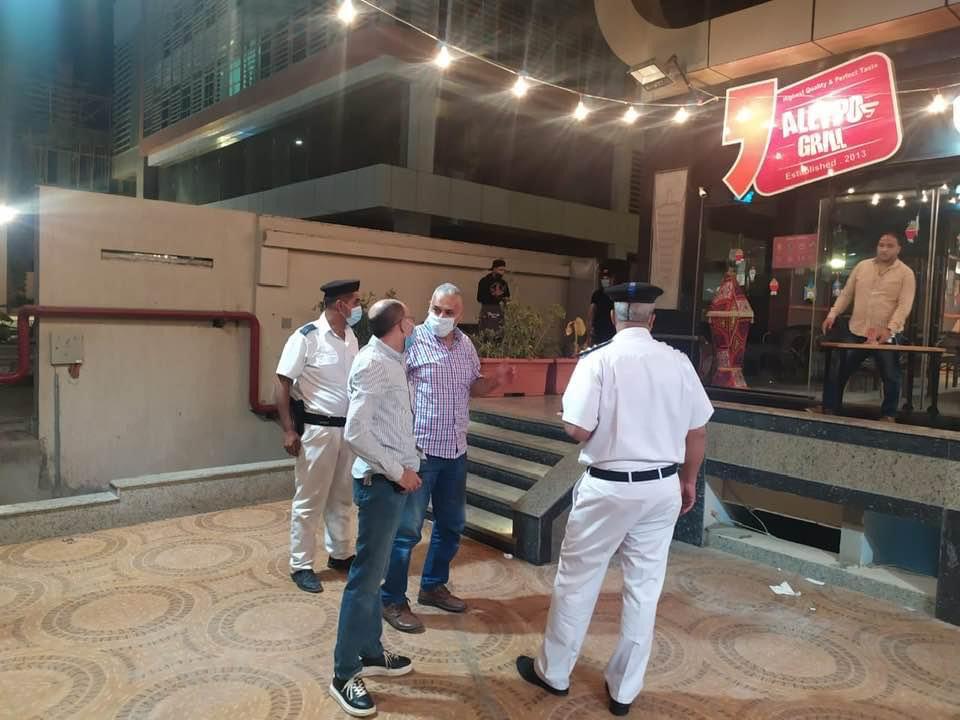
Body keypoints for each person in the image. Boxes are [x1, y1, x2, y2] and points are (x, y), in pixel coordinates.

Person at [515, 281, 713, 717]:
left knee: (578, 580)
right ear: (652, 319)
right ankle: (624, 691)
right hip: (662, 486)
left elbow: (578, 430)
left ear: (613, 317)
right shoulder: (679, 362)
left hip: (609, 486)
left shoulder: (597, 360)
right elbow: (697, 432)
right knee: (645, 588)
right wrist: (688, 481)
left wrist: (571, 416)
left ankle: (555, 672)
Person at [381, 283, 514, 634]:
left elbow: (474, 386)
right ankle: (391, 599)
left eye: (448, 312)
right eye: (436, 309)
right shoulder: (412, 341)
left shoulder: (466, 345)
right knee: (406, 532)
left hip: (455, 450)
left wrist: (496, 381)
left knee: (451, 525)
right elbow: (390, 386)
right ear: (429, 306)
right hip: (420, 452)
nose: (441, 316)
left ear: (460, 314)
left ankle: (433, 586)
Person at [329, 298, 422, 717]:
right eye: (411, 319)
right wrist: (398, 471)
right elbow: (356, 432)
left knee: (375, 574)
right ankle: (344, 673)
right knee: (365, 580)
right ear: (401, 325)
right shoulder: (373, 364)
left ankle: (369, 650)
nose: (415, 324)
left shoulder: (391, 359)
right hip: (381, 484)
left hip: (392, 483)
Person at [275, 279, 362, 593]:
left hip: (347, 431)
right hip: (317, 430)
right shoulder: (306, 337)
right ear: (340, 304)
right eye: (355, 302)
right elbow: (282, 382)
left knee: (342, 497)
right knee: (310, 500)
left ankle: (340, 554)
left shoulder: (351, 337)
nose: (358, 308)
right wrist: (288, 429)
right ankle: (301, 565)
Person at [822, 231, 916, 421]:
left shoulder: (906, 273)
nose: (884, 249)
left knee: (891, 374)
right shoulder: (862, 266)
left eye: (889, 246)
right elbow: (846, 294)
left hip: (886, 333)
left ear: (899, 249)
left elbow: (904, 305)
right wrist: (833, 314)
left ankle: (888, 414)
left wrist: (890, 329)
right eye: (881, 245)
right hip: (857, 329)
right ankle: (829, 408)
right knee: (839, 369)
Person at [477, 258, 510, 333]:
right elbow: (479, 298)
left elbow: (507, 297)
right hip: (487, 310)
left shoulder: (504, 283)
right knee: (486, 334)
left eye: (504, 270)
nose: (502, 273)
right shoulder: (484, 281)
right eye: (500, 270)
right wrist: (494, 297)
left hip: (500, 312)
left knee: (499, 334)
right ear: (494, 269)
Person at [588, 267, 616, 346]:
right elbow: (591, 312)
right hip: (598, 330)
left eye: (607, 278)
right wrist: (589, 329)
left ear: (612, 279)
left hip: (611, 330)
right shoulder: (597, 294)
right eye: (603, 278)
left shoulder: (615, 294)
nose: (605, 280)